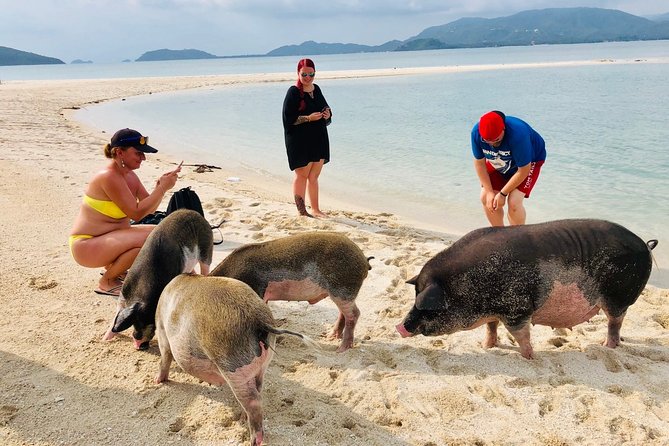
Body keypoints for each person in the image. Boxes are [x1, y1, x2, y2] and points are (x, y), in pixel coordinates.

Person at [69, 128, 181, 296]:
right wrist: (163, 189)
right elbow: (136, 214)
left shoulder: (129, 176)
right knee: (152, 238)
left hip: (109, 242)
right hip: (86, 246)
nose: (143, 157)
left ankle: (117, 270)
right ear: (120, 152)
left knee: (162, 232)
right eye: (138, 153)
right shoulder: (109, 176)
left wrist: (159, 187)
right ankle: (107, 281)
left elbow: (148, 208)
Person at [471, 110, 546, 227]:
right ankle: (499, 236)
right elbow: (479, 163)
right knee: (486, 198)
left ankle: (517, 239)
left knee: (514, 202)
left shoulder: (518, 135)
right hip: (499, 158)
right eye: (487, 141)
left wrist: (502, 194)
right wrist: (491, 192)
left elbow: (523, 170)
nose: (492, 144)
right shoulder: (476, 133)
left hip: (530, 161)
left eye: (496, 140)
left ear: (503, 129)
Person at [282, 58, 332, 218]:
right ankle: (302, 211)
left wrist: (327, 114)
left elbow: (326, 108)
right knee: (302, 175)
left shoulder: (316, 89)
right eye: (304, 74)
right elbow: (288, 119)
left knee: (314, 176)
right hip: (299, 140)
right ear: (298, 73)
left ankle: (316, 209)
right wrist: (308, 118)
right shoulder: (293, 92)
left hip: (318, 138)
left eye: (311, 74)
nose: (308, 77)